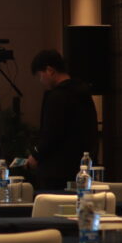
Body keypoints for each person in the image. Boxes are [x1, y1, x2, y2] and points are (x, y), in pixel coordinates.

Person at [26, 49, 98, 190]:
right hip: (81, 169)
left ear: (50, 71)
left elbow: (51, 133)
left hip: (56, 172)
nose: (41, 81)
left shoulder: (57, 97)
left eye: (40, 76)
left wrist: (36, 156)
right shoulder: (84, 92)